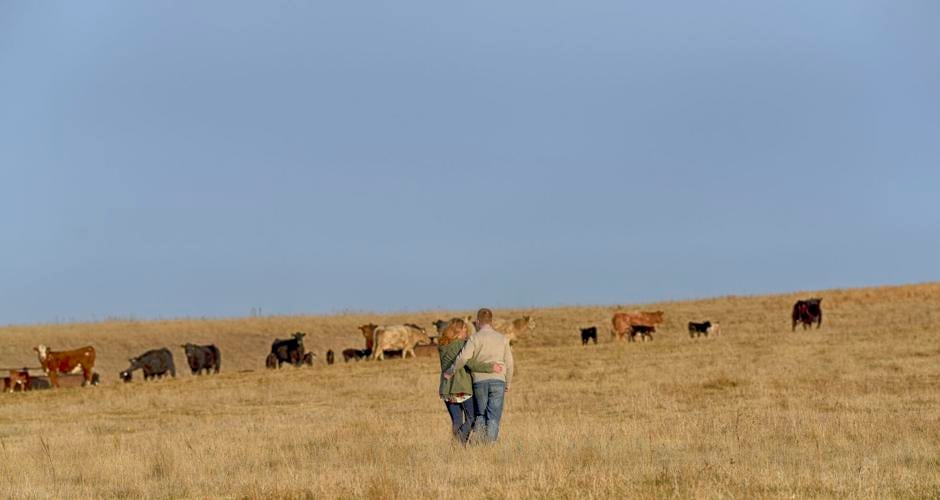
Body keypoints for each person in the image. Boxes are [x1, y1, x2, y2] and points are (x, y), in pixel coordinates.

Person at [444, 308, 514, 443]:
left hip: (479, 382)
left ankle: (479, 444)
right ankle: (489, 445)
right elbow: (509, 363)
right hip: (498, 380)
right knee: (493, 417)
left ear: (477, 321)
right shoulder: (502, 339)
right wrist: (508, 382)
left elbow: (463, 358)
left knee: (480, 415)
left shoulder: (474, 338)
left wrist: (451, 370)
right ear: (491, 321)